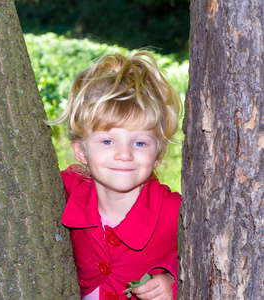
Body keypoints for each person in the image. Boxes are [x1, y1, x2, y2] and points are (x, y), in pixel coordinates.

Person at [48, 51, 182, 300]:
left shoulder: (176, 212)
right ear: (81, 151)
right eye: (108, 141)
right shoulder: (63, 188)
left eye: (140, 143)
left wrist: (172, 281)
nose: (124, 154)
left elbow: (203, 258)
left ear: (159, 154)